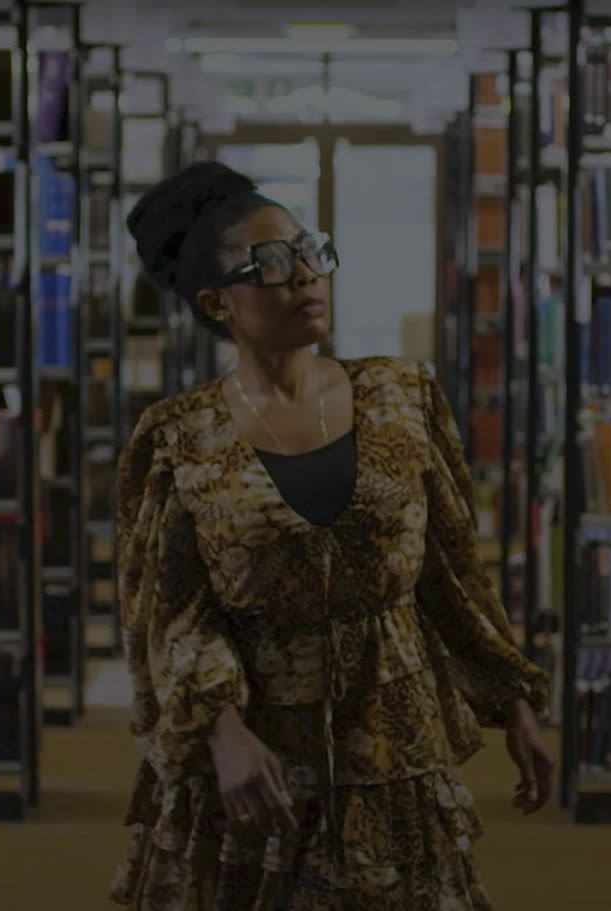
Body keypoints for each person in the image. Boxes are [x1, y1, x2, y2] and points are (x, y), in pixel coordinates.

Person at [108, 161, 555, 910]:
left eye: (311, 251)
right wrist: (220, 731)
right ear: (217, 302)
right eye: (272, 263)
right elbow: (169, 610)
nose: (306, 275)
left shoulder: (401, 395)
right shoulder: (176, 439)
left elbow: (449, 572)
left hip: (392, 744)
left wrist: (513, 701)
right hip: (253, 762)